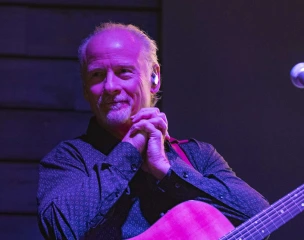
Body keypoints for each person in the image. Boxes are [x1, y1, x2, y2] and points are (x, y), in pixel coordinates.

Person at [37, 22, 270, 239]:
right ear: (86, 89)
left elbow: (260, 220)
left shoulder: (198, 156)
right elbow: (59, 229)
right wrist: (129, 150)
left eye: (123, 72)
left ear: (154, 78)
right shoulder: (68, 159)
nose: (110, 87)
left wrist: (167, 173)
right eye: (97, 75)